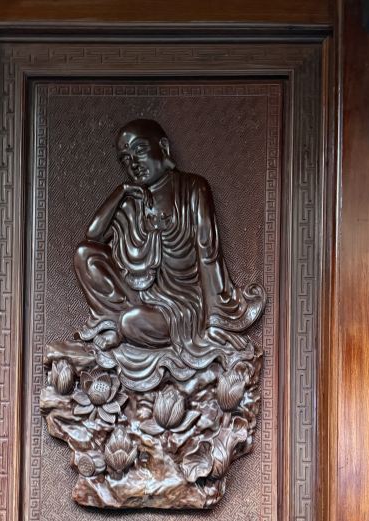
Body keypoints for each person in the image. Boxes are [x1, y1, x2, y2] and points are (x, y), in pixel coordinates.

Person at [71, 119, 265, 391]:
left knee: (131, 322)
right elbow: (94, 236)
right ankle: (116, 326)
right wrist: (121, 192)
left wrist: (215, 319)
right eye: (125, 159)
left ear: (162, 147)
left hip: (179, 304)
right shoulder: (131, 200)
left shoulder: (193, 189)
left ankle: (124, 328)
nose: (133, 164)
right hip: (138, 293)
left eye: (139, 151)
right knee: (85, 254)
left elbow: (208, 256)